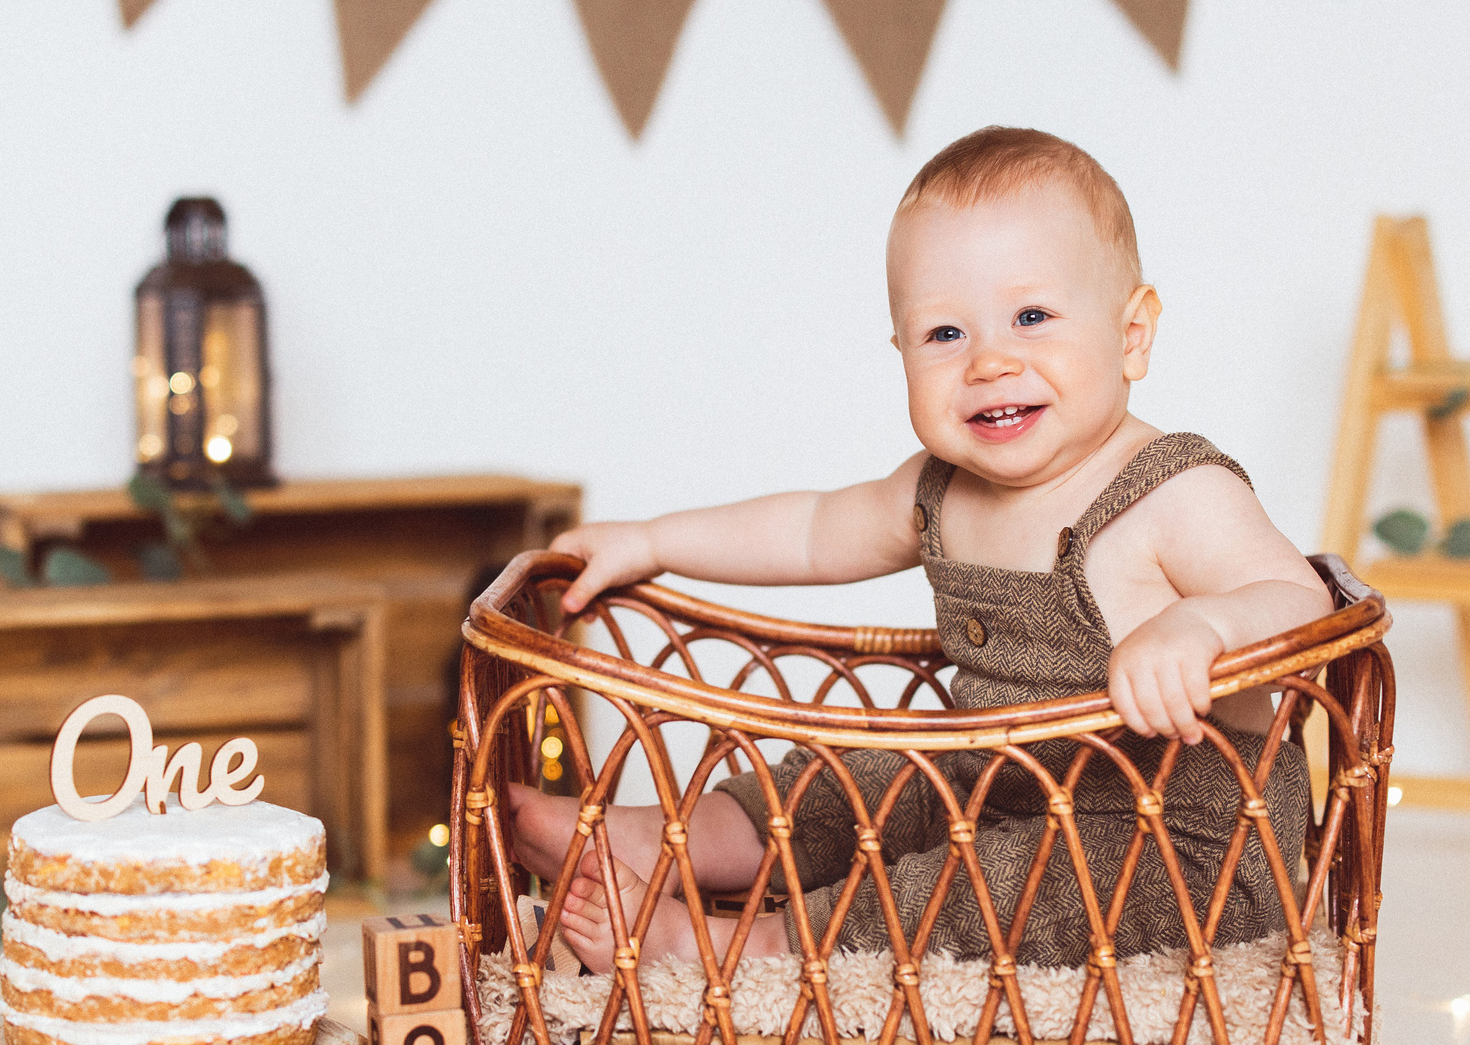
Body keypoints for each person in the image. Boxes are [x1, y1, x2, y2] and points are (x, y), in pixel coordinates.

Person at [506, 126, 1331, 975]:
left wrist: (1201, 626)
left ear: (1131, 336)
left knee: (980, 885)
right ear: (900, 348)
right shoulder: (943, 487)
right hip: (993, 785)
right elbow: (812, 530)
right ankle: (660, 839)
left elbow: (1302, 598)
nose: (991, 361)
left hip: (1172, 854)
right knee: (870, 773)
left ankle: (739, 946)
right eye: (944, 334)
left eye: (1033, 317)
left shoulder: (1172, 491)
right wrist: (652, 542)